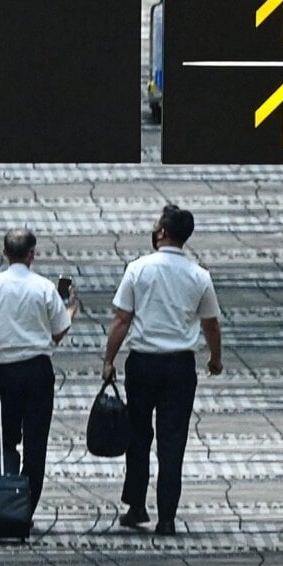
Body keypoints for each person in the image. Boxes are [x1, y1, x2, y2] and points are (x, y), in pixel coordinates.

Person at [101, 205, 223, 536]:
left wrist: (109, 359)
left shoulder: (138, 269)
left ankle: (136, 506)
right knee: (173, 441)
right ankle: (166, 516)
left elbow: (122, 320)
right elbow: (211, 323)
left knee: (138, 436)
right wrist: (215, 359)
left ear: (163, 233)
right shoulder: (199, 275)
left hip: (142, 363)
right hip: (179, 367)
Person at [0, 228, 77, 507]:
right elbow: (57, 333)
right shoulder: (45, 288)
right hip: (38, 371)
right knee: (35, 442)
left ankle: (3, 495)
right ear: (32, 254)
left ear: (5, 253)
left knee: (5, 437)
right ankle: (25, 507)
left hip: (4, 372)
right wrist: (70, 313)